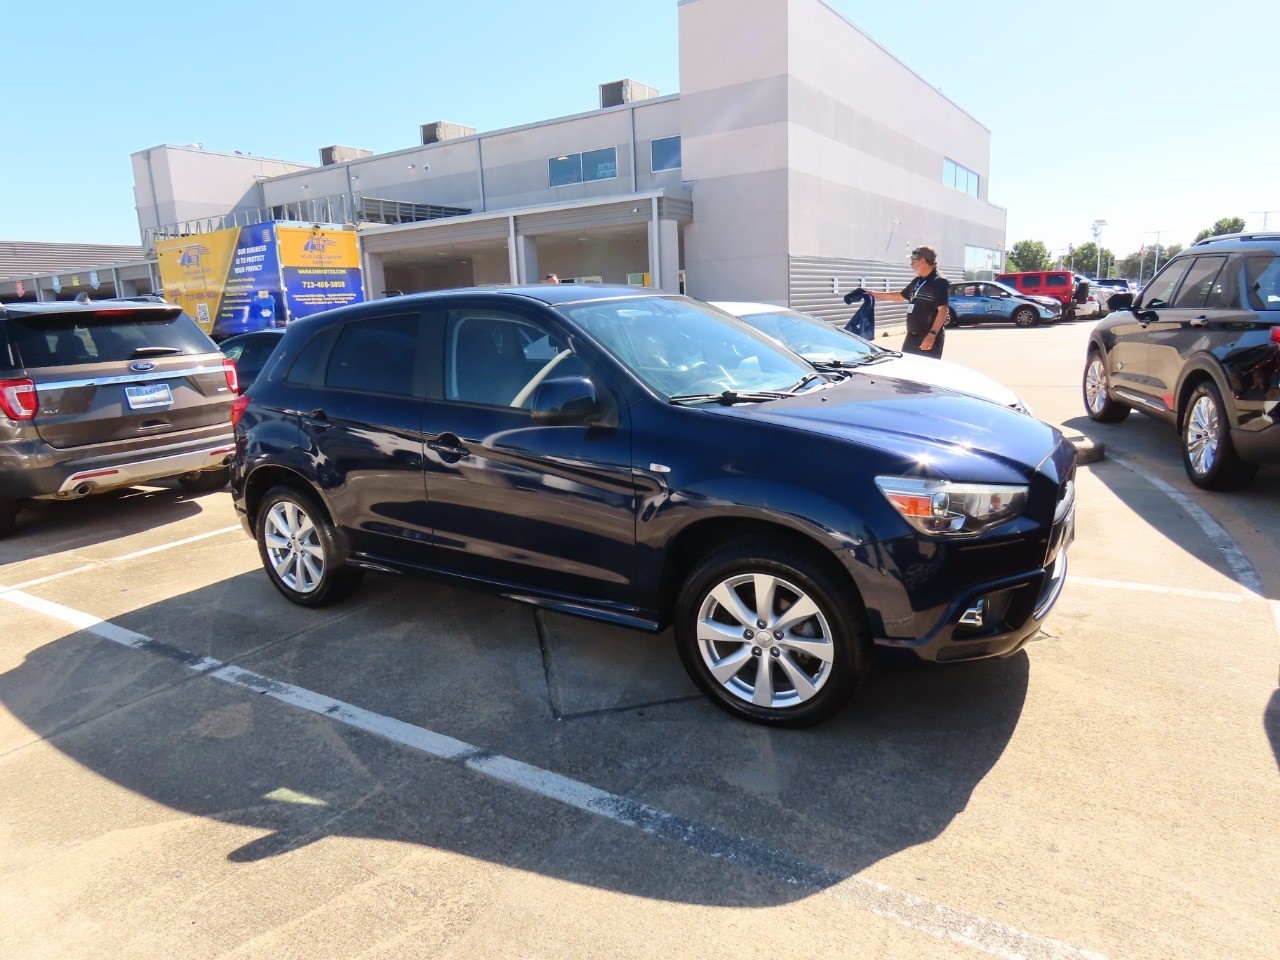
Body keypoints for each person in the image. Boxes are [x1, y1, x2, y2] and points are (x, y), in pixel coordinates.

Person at [843, 245, 950, 358]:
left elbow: (943, 310)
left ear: (922, 261)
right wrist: (874, 294)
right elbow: (900, 296)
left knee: (923, 372)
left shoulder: (940, 282)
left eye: (913, 261)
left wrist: (931, 335)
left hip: (927, 338)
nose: (911, 264)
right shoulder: (918, 281)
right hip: (911, 338)